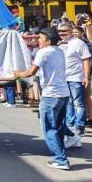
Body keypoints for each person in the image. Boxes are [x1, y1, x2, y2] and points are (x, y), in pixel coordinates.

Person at [14, 28, 71, 170]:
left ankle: (61, 159)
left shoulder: (43, 52)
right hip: (63, 93)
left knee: (49, 128)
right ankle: (62, 151)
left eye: (40, 38)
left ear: (48, 40)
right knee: (58, 127)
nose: (38, 40)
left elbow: (31, 72)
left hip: (51, 95)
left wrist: (18, 74)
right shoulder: (59, 51)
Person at [58, 22, 91, 143]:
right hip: (63, 78)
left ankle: (79, 126)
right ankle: (70, 124)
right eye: (60, 32)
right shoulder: (59, 44)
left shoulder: (79, 43)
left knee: (78, 103)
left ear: (71, 31)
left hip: (76, 78)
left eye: (64, 32)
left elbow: (86, 60)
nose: (61, 34)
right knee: (68, 103)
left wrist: (86, 76)